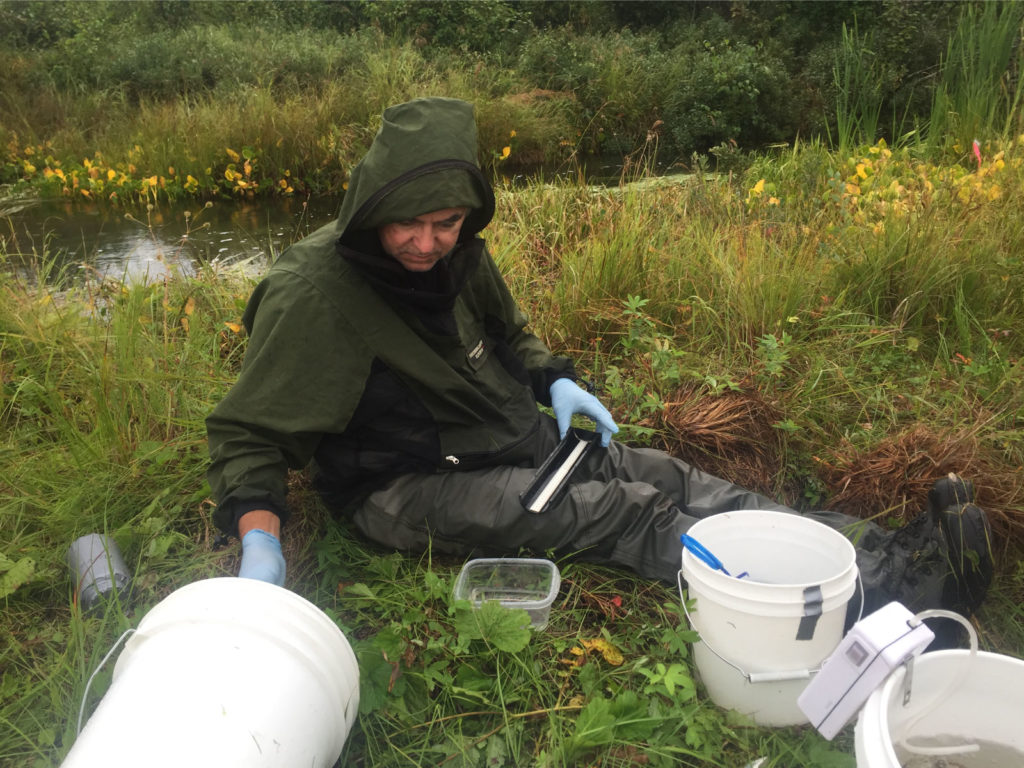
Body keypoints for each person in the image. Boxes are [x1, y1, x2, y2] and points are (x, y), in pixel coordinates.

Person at [206, 97, 993, 627]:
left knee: (678, 479)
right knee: (620, 511)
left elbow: (511, 337)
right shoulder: (315, 295)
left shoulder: (459, 258)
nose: (424, 244)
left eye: (445, 223)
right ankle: (879, 598)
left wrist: (556, 380)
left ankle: (884, 550)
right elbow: (249, 433)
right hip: (402, 486)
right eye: (405, 225)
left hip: (507, 436)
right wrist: (259, 539)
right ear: (372, 206)